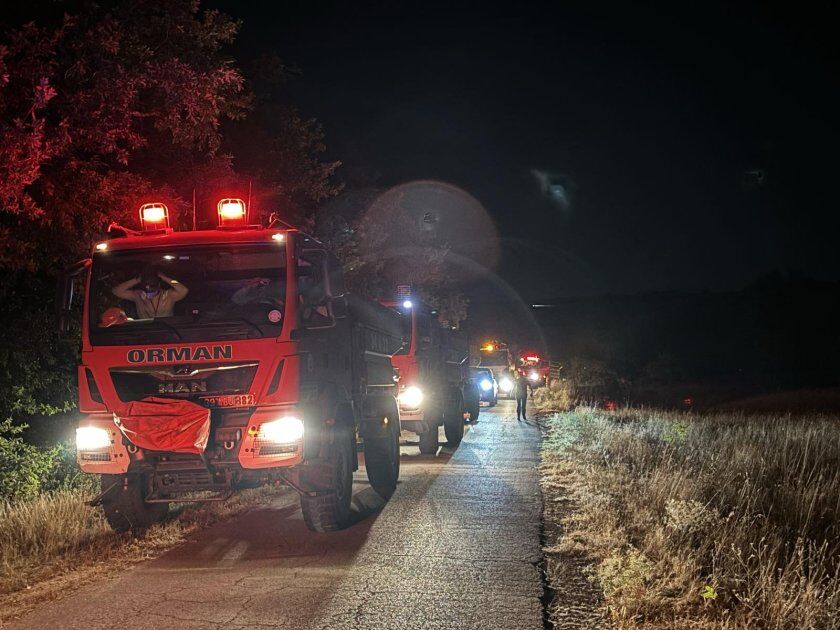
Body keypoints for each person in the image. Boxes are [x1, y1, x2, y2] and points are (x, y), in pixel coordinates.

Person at [112, 268, 188, 319]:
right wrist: (137, 280)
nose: (148, 288)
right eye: (146, 285)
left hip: (167, 330)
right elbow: (116, 291)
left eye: (152, 285)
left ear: (159, 284)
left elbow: (184, 290)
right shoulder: (138, 295)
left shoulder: (169, 295)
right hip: (146, 331)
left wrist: (164, 278)